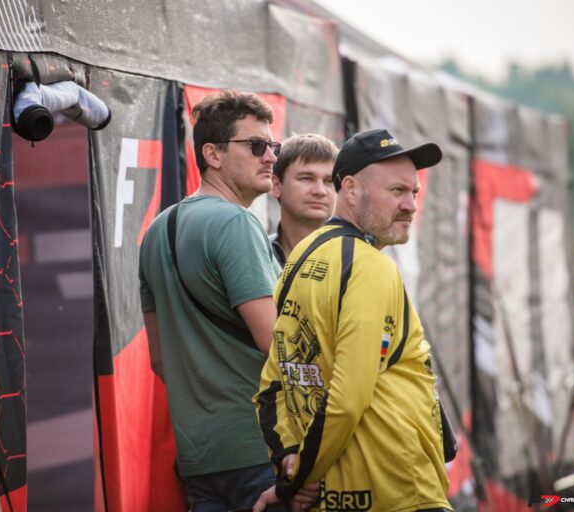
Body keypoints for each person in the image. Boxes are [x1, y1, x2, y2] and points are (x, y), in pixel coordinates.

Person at [253, 128, 452, 512]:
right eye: (397, 191)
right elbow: (347, 398)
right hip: (399, 492)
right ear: (351, 188)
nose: (410, 205)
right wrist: (302, 477)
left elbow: (273, 384)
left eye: (414, 192)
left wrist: (291, 463)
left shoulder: (300, 256)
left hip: (333, 495)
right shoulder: (371, 266)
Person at [139, 90, 317, 511]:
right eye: (255, 146)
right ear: (213, 154)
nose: (270, 157)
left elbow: (160, 360)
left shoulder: (156, 231)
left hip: (199, 457)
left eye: (272, 146)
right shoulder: (236, 223)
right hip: (260, 449)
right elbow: (277, 343)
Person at [269, 134, 338, 266]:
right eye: (306, 178)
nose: (320, 191)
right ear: (276, 185)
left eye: (329, 181)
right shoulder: (258, 255)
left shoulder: (354, 259)